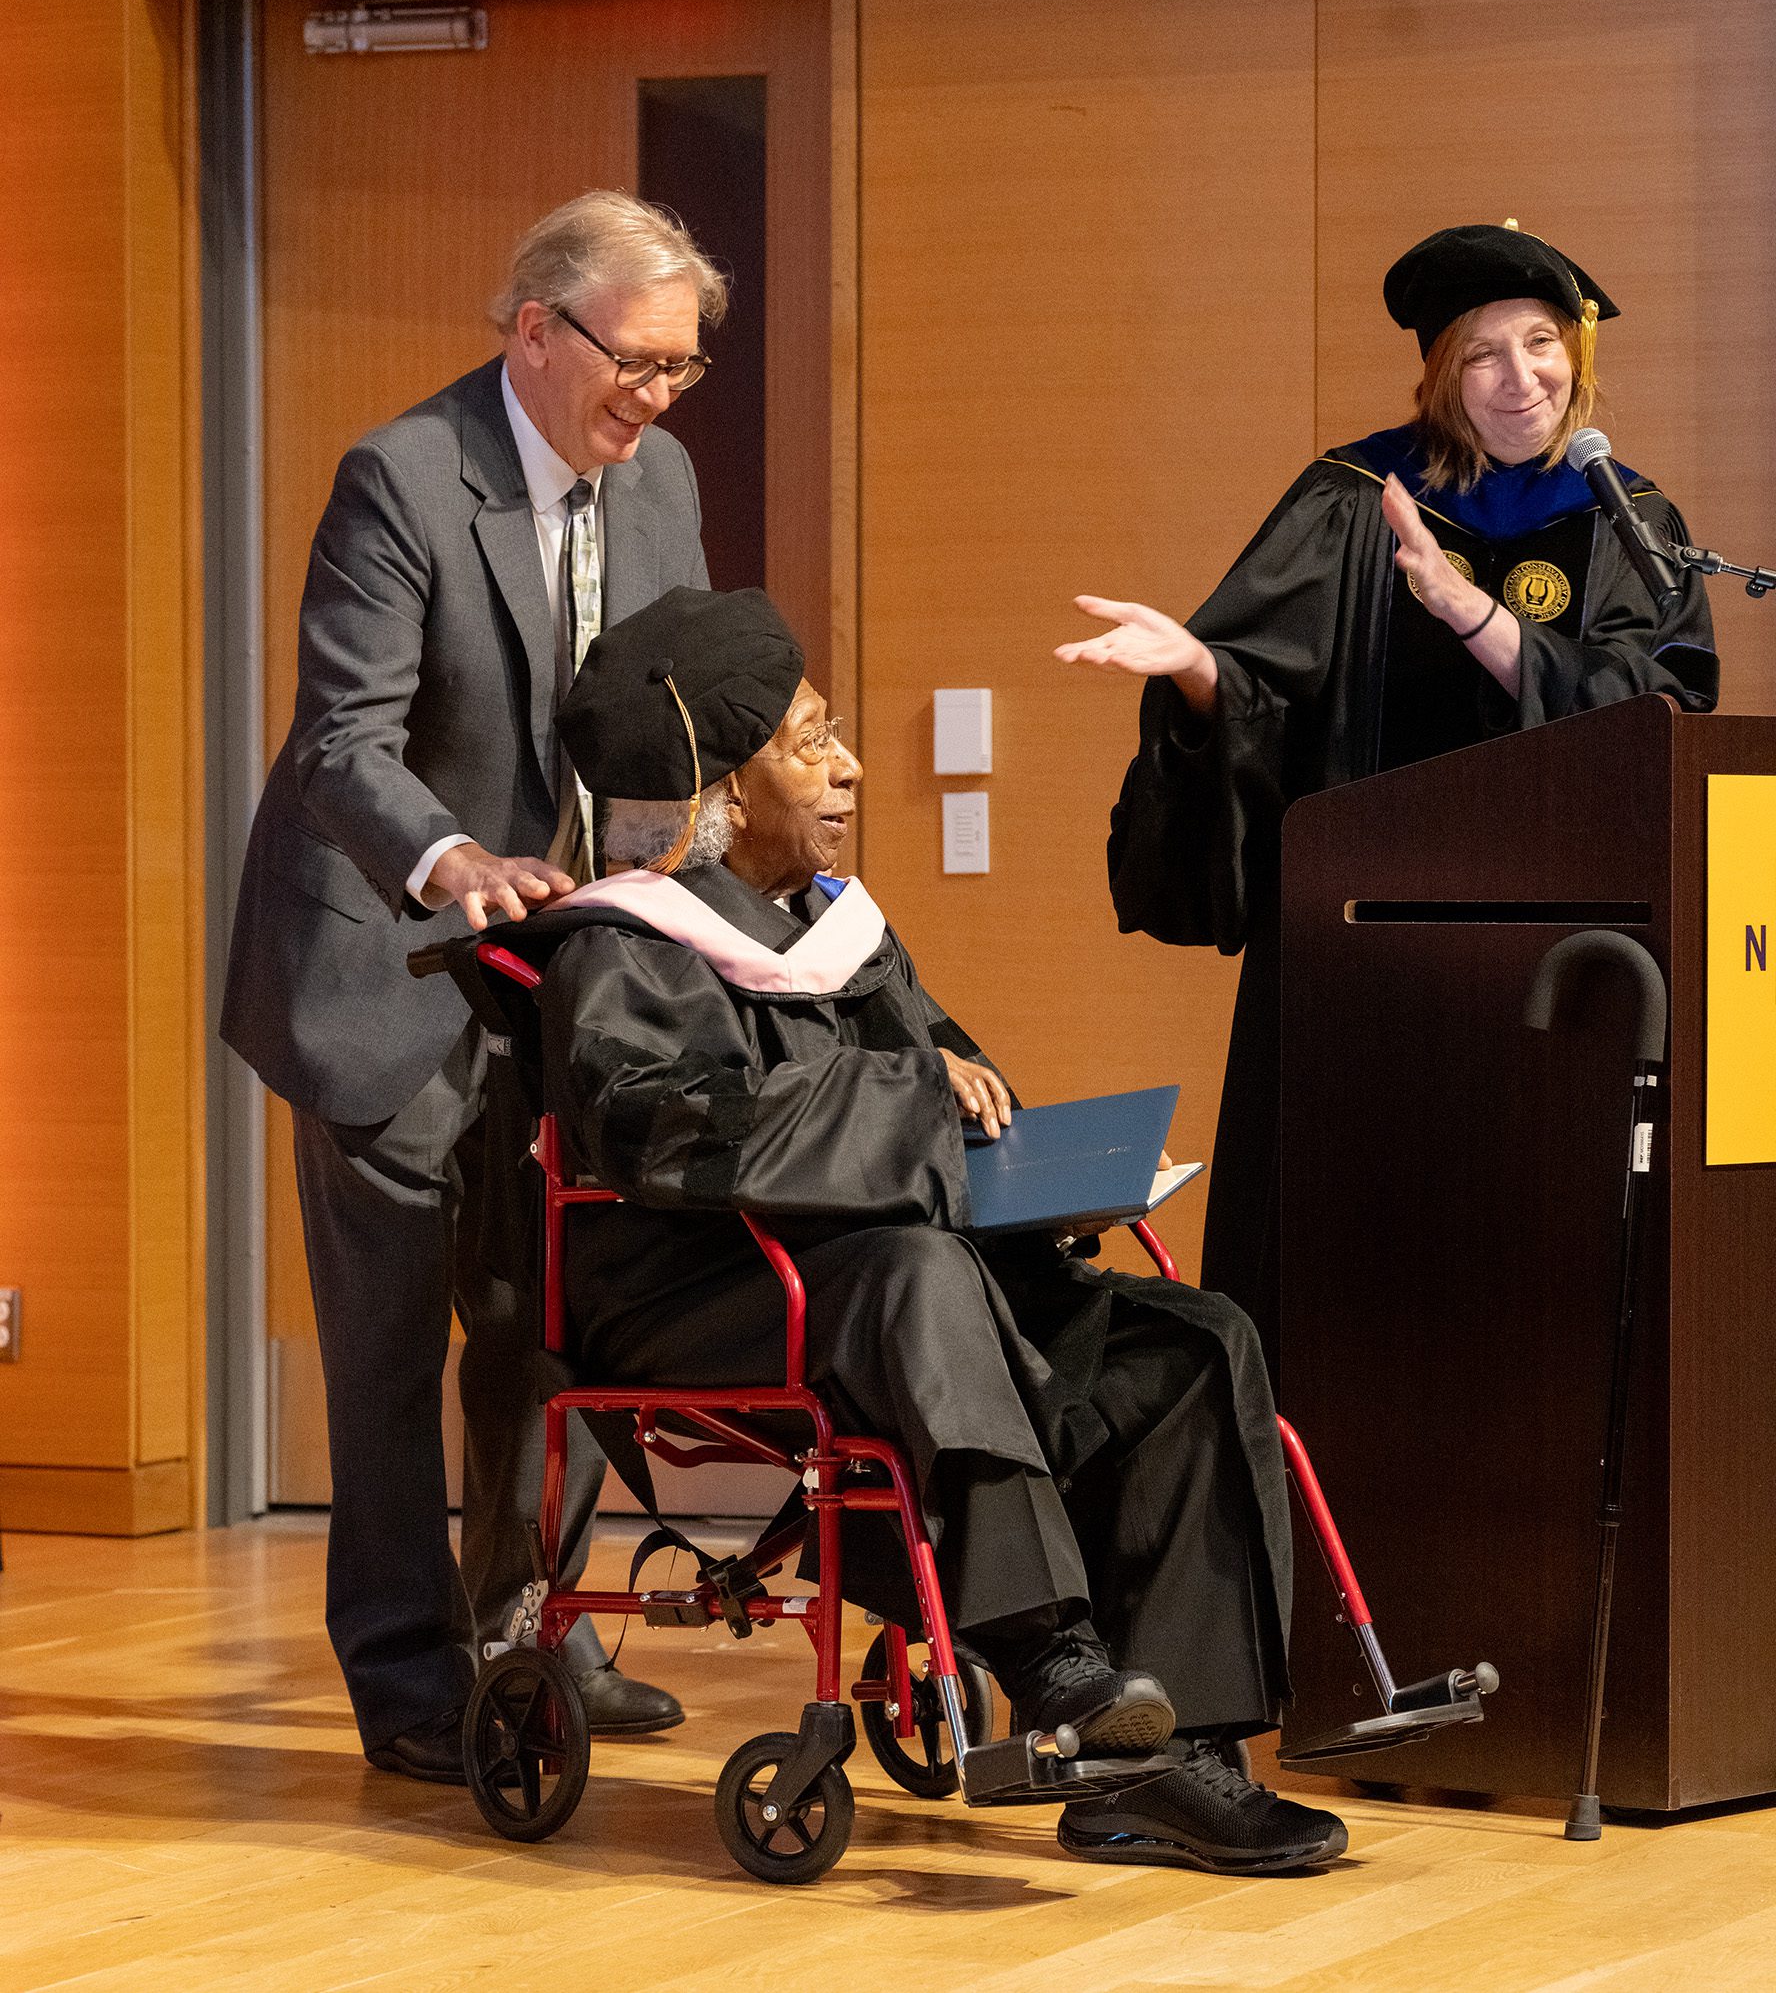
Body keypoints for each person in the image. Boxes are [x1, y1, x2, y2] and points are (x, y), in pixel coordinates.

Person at [533, 584, 1349, 1875]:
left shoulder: (835, 932)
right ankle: (1051, 1657)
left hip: (883, 1288)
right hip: (701, 1296)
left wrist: (1027, 1151)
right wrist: (917, 1101)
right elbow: (667, 1132)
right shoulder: (627, 945)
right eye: (811, 743)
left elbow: (950, 1072)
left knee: (1191, 1342)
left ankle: (1172, 1758)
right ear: (728, 793)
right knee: (914, 1273)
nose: (851, 765)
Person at [221, 190, 723, 1780]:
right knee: (391, 1342)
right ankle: (406, 1675)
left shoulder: (665, 483)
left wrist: (689, 846)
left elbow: (658, 718)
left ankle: (528, 1638)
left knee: (536, 1311)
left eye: (682, 371)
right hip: (382, 953)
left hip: (549, 974)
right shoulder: (404, 477)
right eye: (637, 366)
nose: (654, 401)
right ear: (536, 333)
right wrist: (457, 863)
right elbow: (341, 743)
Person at [1057, 221, 1718, 1373]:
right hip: (1365, 961)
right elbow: (1265, 689)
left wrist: (1472, 612)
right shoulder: (1355, 497)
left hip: (1567, 963)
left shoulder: (1631, 519)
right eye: (1485, 355)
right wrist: (1200, 670)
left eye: (1545, 345)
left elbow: (1652, 720)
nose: (1525, 379)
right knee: (1355, 1271)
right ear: (1439, 373)